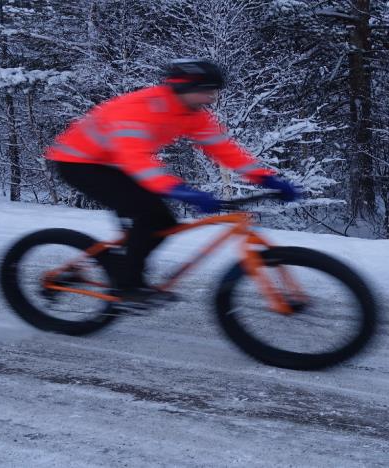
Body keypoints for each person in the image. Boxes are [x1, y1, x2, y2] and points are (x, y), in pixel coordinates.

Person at [45, 58, 300, 307]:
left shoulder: (193, 113)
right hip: (78, 162)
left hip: (114, 163)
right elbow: (136, 160)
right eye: (206, 91)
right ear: (183, 88)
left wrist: (265, 178)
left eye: (214, 92)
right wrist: (181, 191)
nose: (212, 98)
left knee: (163, 222)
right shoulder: (140, 109)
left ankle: (123, 268)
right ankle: (128, 285)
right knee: (147, 215)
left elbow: (224, 149)